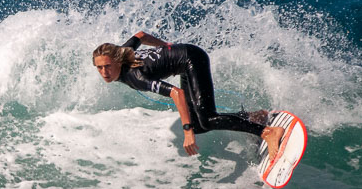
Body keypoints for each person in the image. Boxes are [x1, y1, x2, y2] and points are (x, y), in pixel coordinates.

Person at [92, 31, 285, 160]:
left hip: (193, 58)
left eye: (107, 66)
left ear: (117, 62)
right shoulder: (123, 52)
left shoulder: (136, 77)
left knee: (207, 120)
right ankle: (253, 117)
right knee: (199, 126)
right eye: (99, 67)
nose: (104, 72)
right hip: (184, 62)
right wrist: (166, 46)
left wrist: (186, 131)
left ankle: (268, 132)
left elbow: (177, 93)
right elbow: (140, 36)